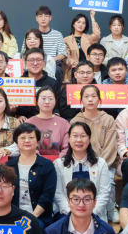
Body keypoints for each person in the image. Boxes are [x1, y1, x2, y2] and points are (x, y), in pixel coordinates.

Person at [70, 85, 118, 219]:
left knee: (109, 181)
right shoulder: (75, 120)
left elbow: (110, 147)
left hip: (105, 163)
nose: (90, 99)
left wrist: (99, 164)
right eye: (86, 97)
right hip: (81, 162)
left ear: (99, 99)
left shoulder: (108, 119)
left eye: (93, 96)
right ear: (81, 100)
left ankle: (110, 209)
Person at [53, 122, 111, 221]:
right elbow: (58, 193)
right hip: (67, 213)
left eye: (83, 136)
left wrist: (91, 213)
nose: (79, 140)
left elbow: (104, 193)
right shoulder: (59, 164)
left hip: (94, 214)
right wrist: (72, 213)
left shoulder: (101, 163)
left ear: (89, 139)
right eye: (75, 136)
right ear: (69, 139)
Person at [8, 123, 58, 227]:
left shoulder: (46, 165)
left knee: (34, 228)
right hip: (12, 216)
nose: (27, 141)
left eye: (31, 137)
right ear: (16, 142)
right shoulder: (9, 166)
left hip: (38, 217)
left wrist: (32, 217)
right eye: (23, 138)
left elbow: (47, 195)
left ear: (37, 142)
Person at [17, 48, 61, 121]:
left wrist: (56, 115)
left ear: (44, 63)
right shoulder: (18, 83)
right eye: (31, 60)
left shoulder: (53, 82)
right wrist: (18, 115)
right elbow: (16, 107)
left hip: (47, 119)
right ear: (26, 63)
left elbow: (57, 107)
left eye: (39, 60)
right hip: (24, 121)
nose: (35, 63)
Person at [26, 86, 69, 159]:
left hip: (58, 162)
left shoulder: (64, 123)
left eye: (50, 99)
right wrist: (41, 161)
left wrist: (58, 161)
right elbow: (26, 145)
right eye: (43, 98)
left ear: (55, 101)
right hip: (34, 161)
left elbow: (67, 147)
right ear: (37, 101)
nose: (47, 102)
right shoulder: (29, 123)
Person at [63, 10, 101, 81]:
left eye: (83, 23)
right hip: (74, 69)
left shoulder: (88, 38)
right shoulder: (66, 40)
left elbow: (97, 35)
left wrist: (92, 18)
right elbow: (67, 57)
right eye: (78, 22)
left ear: (85, 26)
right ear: (73, 24)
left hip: (88, 68)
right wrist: (78, 66)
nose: (80, 25)